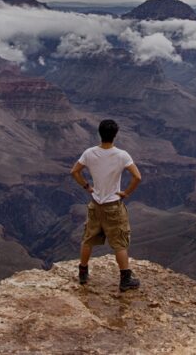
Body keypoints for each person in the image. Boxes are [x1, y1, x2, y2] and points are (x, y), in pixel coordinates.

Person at [70, 119, 142, 291]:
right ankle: (125, 279)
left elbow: (74, 171)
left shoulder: (89, 153)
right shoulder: (122, 155)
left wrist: (87, 186)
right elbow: (137, 177)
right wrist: (126, 193)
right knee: (119, 242)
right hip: (113, 206)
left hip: (95, 204)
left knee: (88, 239)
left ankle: (83, 273)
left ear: (100, 134)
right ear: (115, 135)